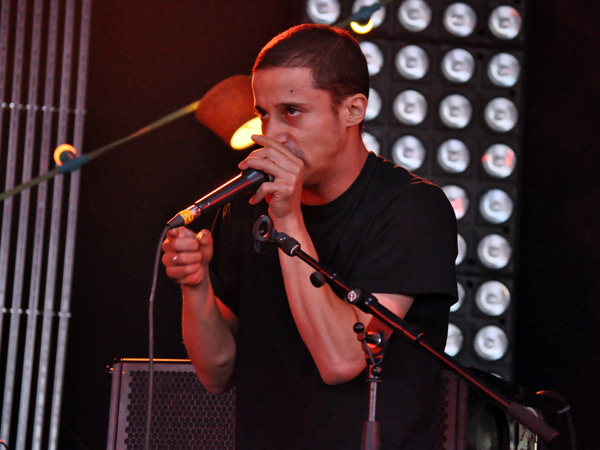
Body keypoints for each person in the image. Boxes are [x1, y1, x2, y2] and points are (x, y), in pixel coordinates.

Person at [162, 24, 457, 450]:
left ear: (352, 110)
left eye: (292, 112)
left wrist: (288, 217)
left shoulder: (412, 207)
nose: (271, 133)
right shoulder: (245, 208)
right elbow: (216, 373)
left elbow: (342, 361)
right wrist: (196, 286)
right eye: (264, 113)